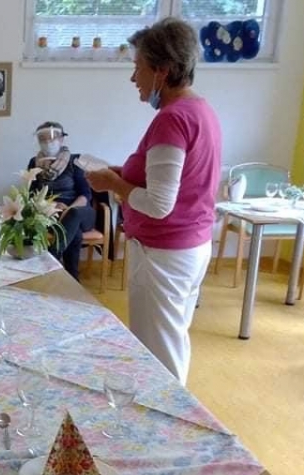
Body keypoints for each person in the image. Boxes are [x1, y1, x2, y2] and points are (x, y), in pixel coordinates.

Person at [86, 18, 221, 385]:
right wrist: (121, 176)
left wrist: (114, 184)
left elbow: (160, 204)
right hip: (190, 246)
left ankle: (167, 415)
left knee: (158, 354)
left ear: (162, 70)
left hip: (164, 254)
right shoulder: (200, 110)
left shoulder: (172, 119)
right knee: (171, 341)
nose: (134, 78)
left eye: (138, 67)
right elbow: (176, 180)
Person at [26, 121, 97, 281]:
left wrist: (68, 209)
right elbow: (31, 195)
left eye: (52, 138)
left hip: (80, 211)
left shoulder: (75, 161)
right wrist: (51, 206)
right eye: (42, 138)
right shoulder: (34, 163)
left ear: (61, 139)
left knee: (73, 215)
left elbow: (85, 194)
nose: (47, 142)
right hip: (50, 213)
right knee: (74, 233)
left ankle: (51, 258)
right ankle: (72, 278)